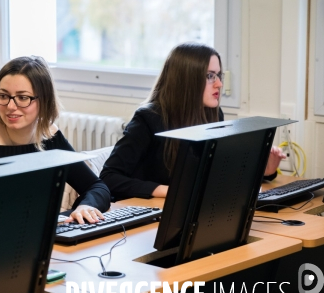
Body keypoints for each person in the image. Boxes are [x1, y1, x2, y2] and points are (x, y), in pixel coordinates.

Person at [100, 42, 286, 201]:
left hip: (190, 209)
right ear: (187, 80)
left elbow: (217, 174)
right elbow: (110, 177)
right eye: (209, 76)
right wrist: (170, 191)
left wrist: (265, 172)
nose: (219, 84)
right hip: (151, 213)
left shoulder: (213, 114)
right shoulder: (148, 118)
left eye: (218, 75)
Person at [0, 56, 111, 224]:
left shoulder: (49, 136)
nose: (11, 106)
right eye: (3, 96)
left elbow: (97, 187)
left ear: (44, 100)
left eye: (23, 98)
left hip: (37, 237)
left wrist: (85, 206)